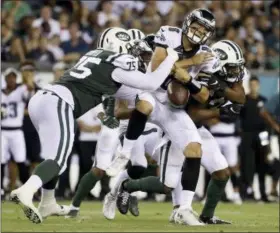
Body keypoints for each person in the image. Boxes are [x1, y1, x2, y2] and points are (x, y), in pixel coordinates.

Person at [10, 27, 185, 224]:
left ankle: (48, 202)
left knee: (55, 157)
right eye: (130, 47)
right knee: (58, 159)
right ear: (117, 45)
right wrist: (170, 58)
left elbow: (126, 90)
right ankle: (25, 191)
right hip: (60, 102)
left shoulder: (94, 55)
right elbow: (151, 82)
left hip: (42, 100)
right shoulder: (118, 62)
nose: (133, 52)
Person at [107, 9, 221, 224]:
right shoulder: (169, 34)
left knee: (194, 148)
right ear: (187, 23)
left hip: (172, 107)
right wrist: (190, 62)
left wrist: (187, 80)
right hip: (150, 91)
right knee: (145, 105)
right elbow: (158, 65)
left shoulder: (207, 56)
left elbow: (204, 96)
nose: (198, 31)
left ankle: (184, 209)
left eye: (204, 29)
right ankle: (125, 153)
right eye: (196, 26)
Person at [115, 40, 246, 225]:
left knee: (222, 173)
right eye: (232, 68)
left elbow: (240, 96)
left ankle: (206, 216)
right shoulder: (200, 73)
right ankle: (127, 186)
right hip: (178, 127)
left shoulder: (227, 77)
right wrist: (218, 110)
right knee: (167, 185)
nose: (236, 73)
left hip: (200, 130)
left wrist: (222, 89)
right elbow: (191, 115)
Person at [239, 76, 279, 202]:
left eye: (255, 84)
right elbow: (239, 118)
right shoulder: (244, 100)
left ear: (259, 85)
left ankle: (263, 193)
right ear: (249, 85)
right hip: (247, 135)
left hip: (262, 135)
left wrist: (268, 135)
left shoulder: (264, 100)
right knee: (247, 164)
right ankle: (246, 193)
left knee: (263, 162)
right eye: (251, 84)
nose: (253, 87)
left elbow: (268, 120)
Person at [1, 68, 35, 199]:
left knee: (21, 160)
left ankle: (26, 190)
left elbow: (30, 89)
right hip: (2, 130)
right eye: (9, 77)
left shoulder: (20, 91)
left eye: (13, 77)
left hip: (17, 131)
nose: (11, 80)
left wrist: (28, 78)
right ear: (5, 79)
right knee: (1, 161)